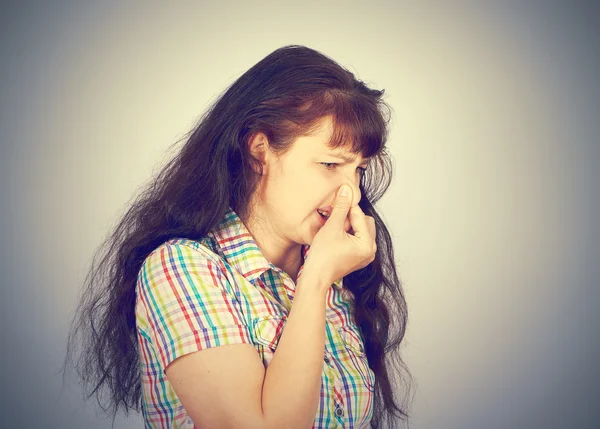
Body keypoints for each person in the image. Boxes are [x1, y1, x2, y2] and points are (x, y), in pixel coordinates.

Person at [64, 45, 413, 429]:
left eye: (358, 170)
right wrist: (315, 281)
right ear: (259, 151)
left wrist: (320, 277)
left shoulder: (337, 279)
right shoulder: (180, 269)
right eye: (330, 164)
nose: (351, 192)